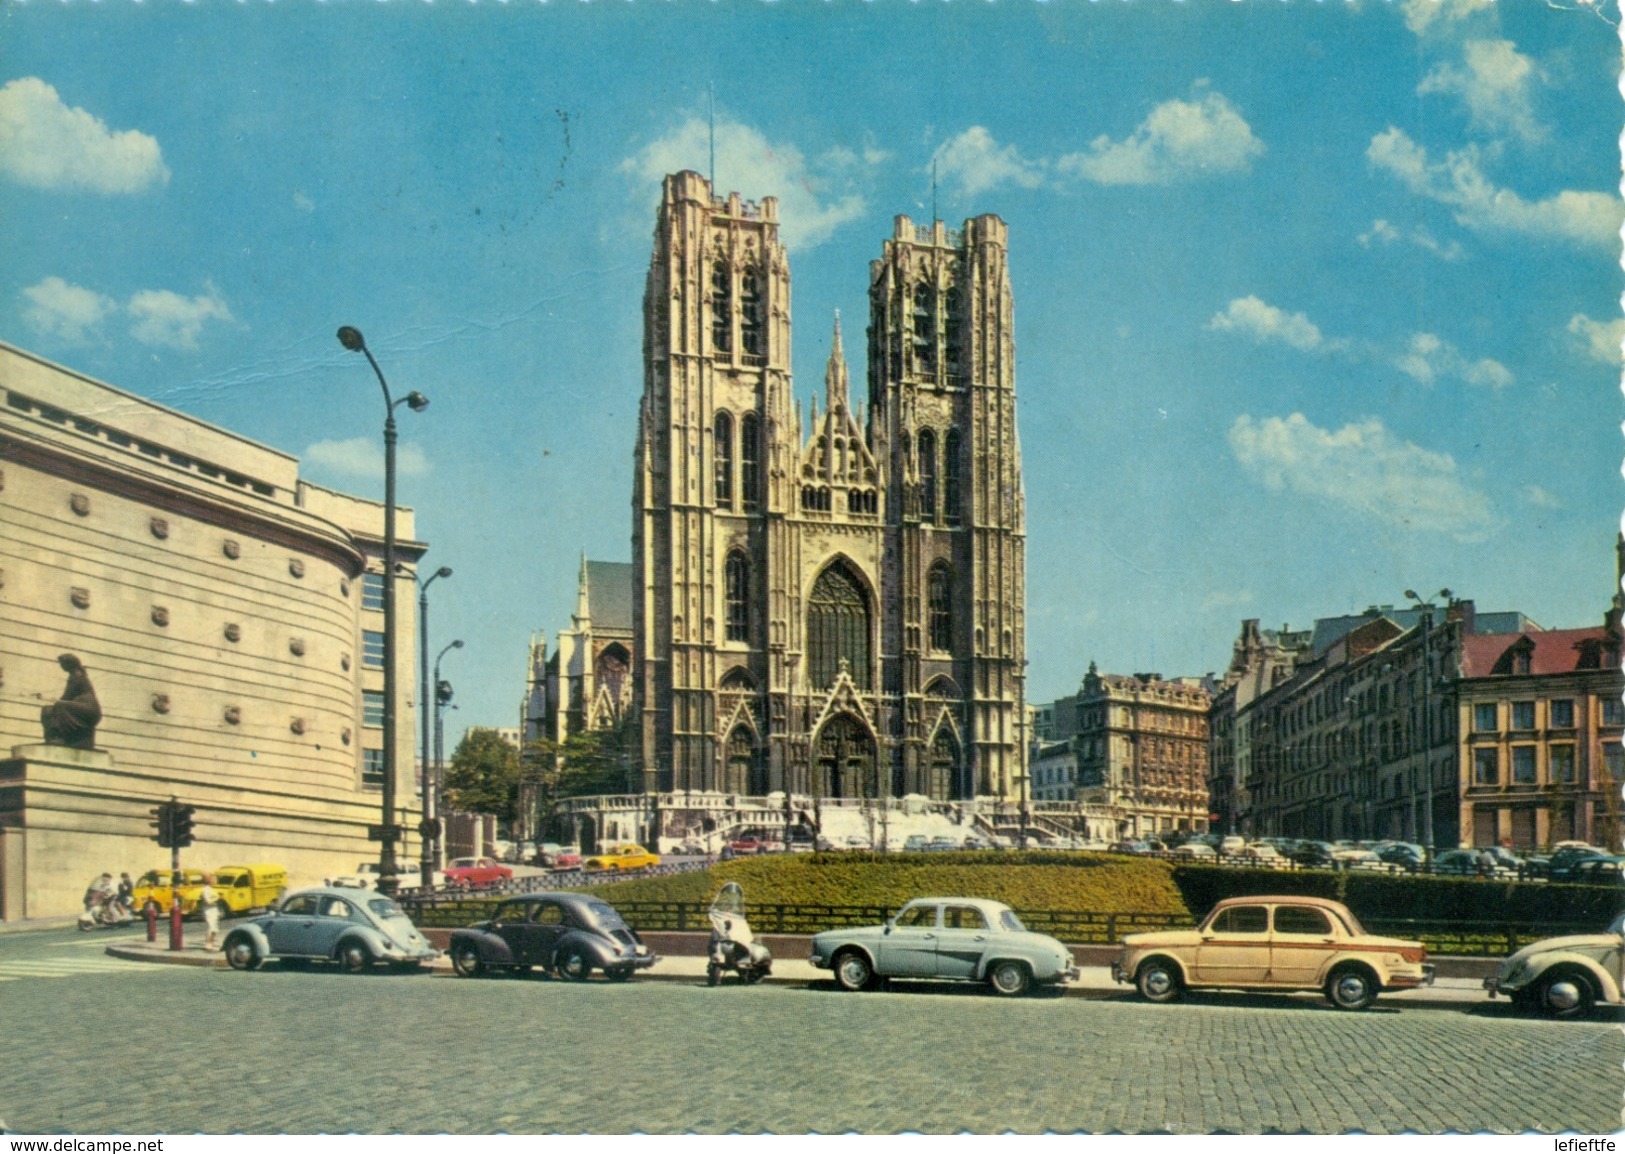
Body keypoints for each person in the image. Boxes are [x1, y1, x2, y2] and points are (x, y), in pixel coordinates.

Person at [200, 874, 221, 951]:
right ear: (209, 880)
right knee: (210, 927)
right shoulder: (205, 890)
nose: (215, 881)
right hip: (208, 911)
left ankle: (211, 943)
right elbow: (207, 901)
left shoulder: (212, 889)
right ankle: (208, 944)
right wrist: (217, 898)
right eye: (214, 879)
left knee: (215, 928)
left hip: (214, 910)